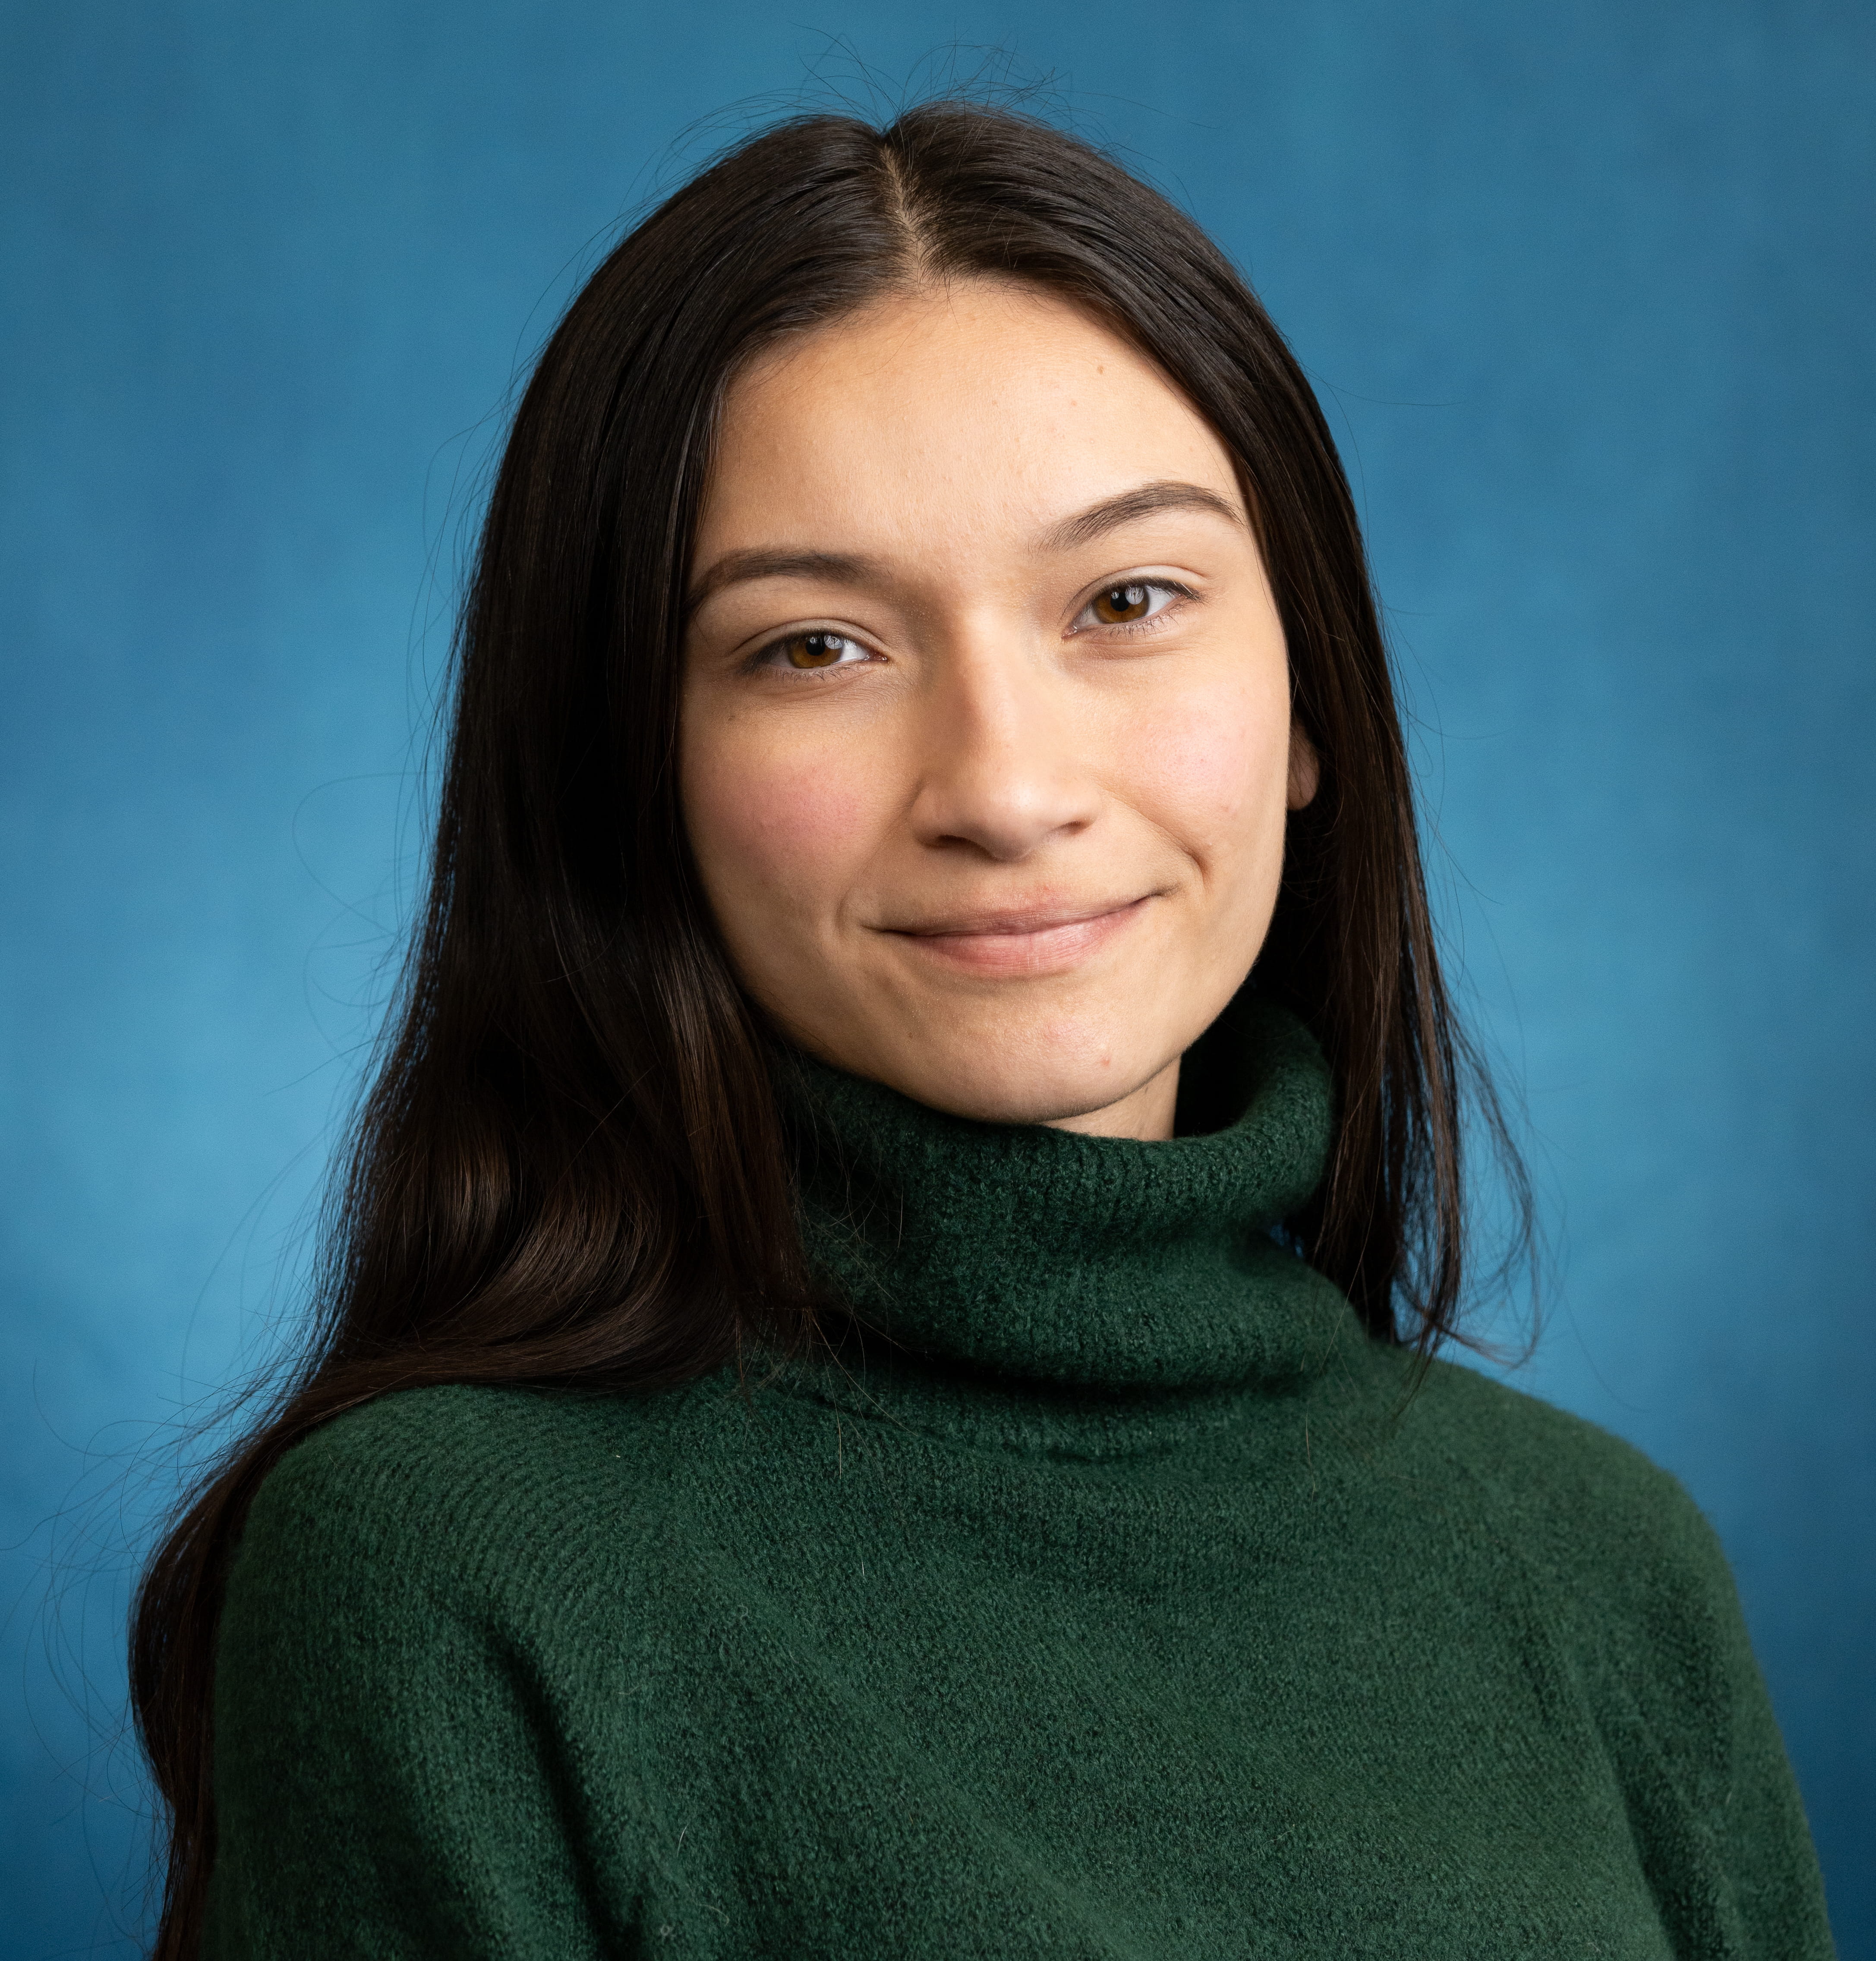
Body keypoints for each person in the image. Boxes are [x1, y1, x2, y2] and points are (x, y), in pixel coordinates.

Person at [132, 102, 1835, 1959]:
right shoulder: (447, 1572)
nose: (1007, 790)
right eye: (817, 646)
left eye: (1126, 601)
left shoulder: (1603, 1568)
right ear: (632, 768)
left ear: (1308, 706)